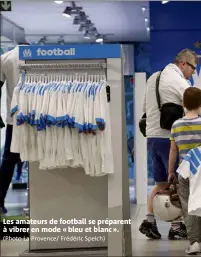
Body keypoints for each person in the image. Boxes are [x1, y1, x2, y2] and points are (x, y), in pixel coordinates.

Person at [139, 49, 199, 239]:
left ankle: (149, 220)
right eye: (193, 68)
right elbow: (194, 102)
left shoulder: (153, 78)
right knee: (176, 184)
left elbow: (144, 108)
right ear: (183, 64)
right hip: (168, 137)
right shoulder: (178, 80)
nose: (193, 73)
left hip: (152, 136)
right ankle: (176, 226)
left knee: (161, 183)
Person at [168, 87, 201, 254]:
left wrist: (170, 172)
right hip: (200, 171)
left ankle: (195, 243)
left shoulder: (176, 125)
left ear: (183, 104)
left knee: (189, 207)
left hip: (184, 172)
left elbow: (173, 150)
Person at [0, 43, 29, 215]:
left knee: (8, 162)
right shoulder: (37, 56)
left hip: (14, 117)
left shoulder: (7, 58)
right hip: (35, 118)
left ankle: (0, 200)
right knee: (37, 159)